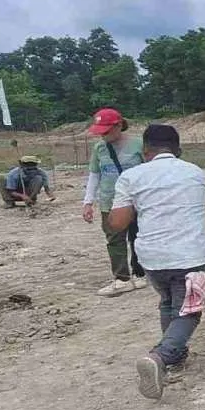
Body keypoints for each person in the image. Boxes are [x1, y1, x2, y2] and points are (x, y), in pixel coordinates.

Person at [107, 124, 205, 400]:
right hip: (191, 255)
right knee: (189, 311)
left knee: (168, 301)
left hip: (152, 259)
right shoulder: (196, 173)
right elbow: (201, 206)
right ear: (179, 150)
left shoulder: (132, 177)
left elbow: (117, 223)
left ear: (145, 151)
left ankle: (176, 356)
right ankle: (160, 357)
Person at [82, 108, 147, 297]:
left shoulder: (138, 145)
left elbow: (150, 172)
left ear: (119, 126)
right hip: (109, 202)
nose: (102, 135)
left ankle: (140, 273)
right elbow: (94, 175)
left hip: (136, 202)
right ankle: (122, 279)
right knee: (114, 240)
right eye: (100, 131)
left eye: (106, 130)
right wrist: (88, 202)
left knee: (138, 237)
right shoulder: (99, 148)